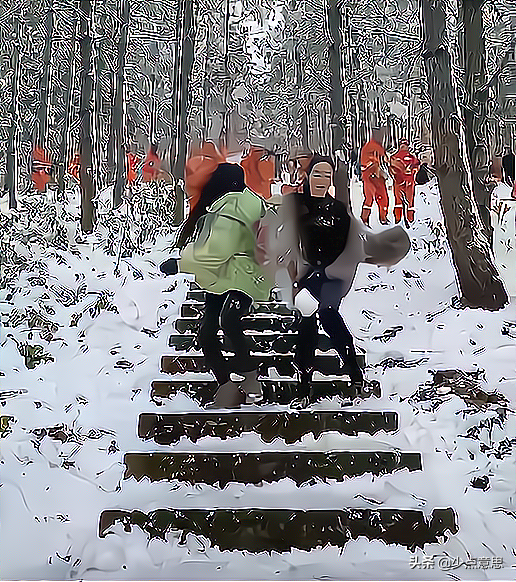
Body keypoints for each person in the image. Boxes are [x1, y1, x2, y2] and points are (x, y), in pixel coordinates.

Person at [267, 155, 411, 401]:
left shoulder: (338, 210)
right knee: (307, 317)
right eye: (317, 174)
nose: (321, 180)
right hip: (305, 276)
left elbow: (355, 240)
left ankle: (355, 375)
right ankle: (304, 383)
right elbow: (269, 226)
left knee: (329, 314)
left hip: (333, 276)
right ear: (308, 176)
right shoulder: (294, 203)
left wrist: (382, 248)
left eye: (327, 175)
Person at [179, 162, 277, 408]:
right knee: (209, 332)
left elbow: (216, 251)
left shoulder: (233, 208)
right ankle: (229, 387)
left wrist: (179, 263)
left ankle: (246, 380)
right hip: (223, 276)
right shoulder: (234, 202)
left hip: (241, 275)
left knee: (224, 323)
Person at [360, 128, 389, 226]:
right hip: (370, 176)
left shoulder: (372, 146)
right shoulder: (372, 145)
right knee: (373, 198)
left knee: (376, 198)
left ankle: (380, 217)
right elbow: (382, 152)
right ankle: (368, 218)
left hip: (373, 175)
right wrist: (386, 156)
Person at [389, 138, 420, 225]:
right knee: (408, 202)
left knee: (401, 201)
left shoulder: (394, 157)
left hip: (402, 182)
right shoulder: (411, 157)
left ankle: (401, 220)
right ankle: (408, 220)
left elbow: (391, 170)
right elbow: (417, 167)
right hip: (406, 182)